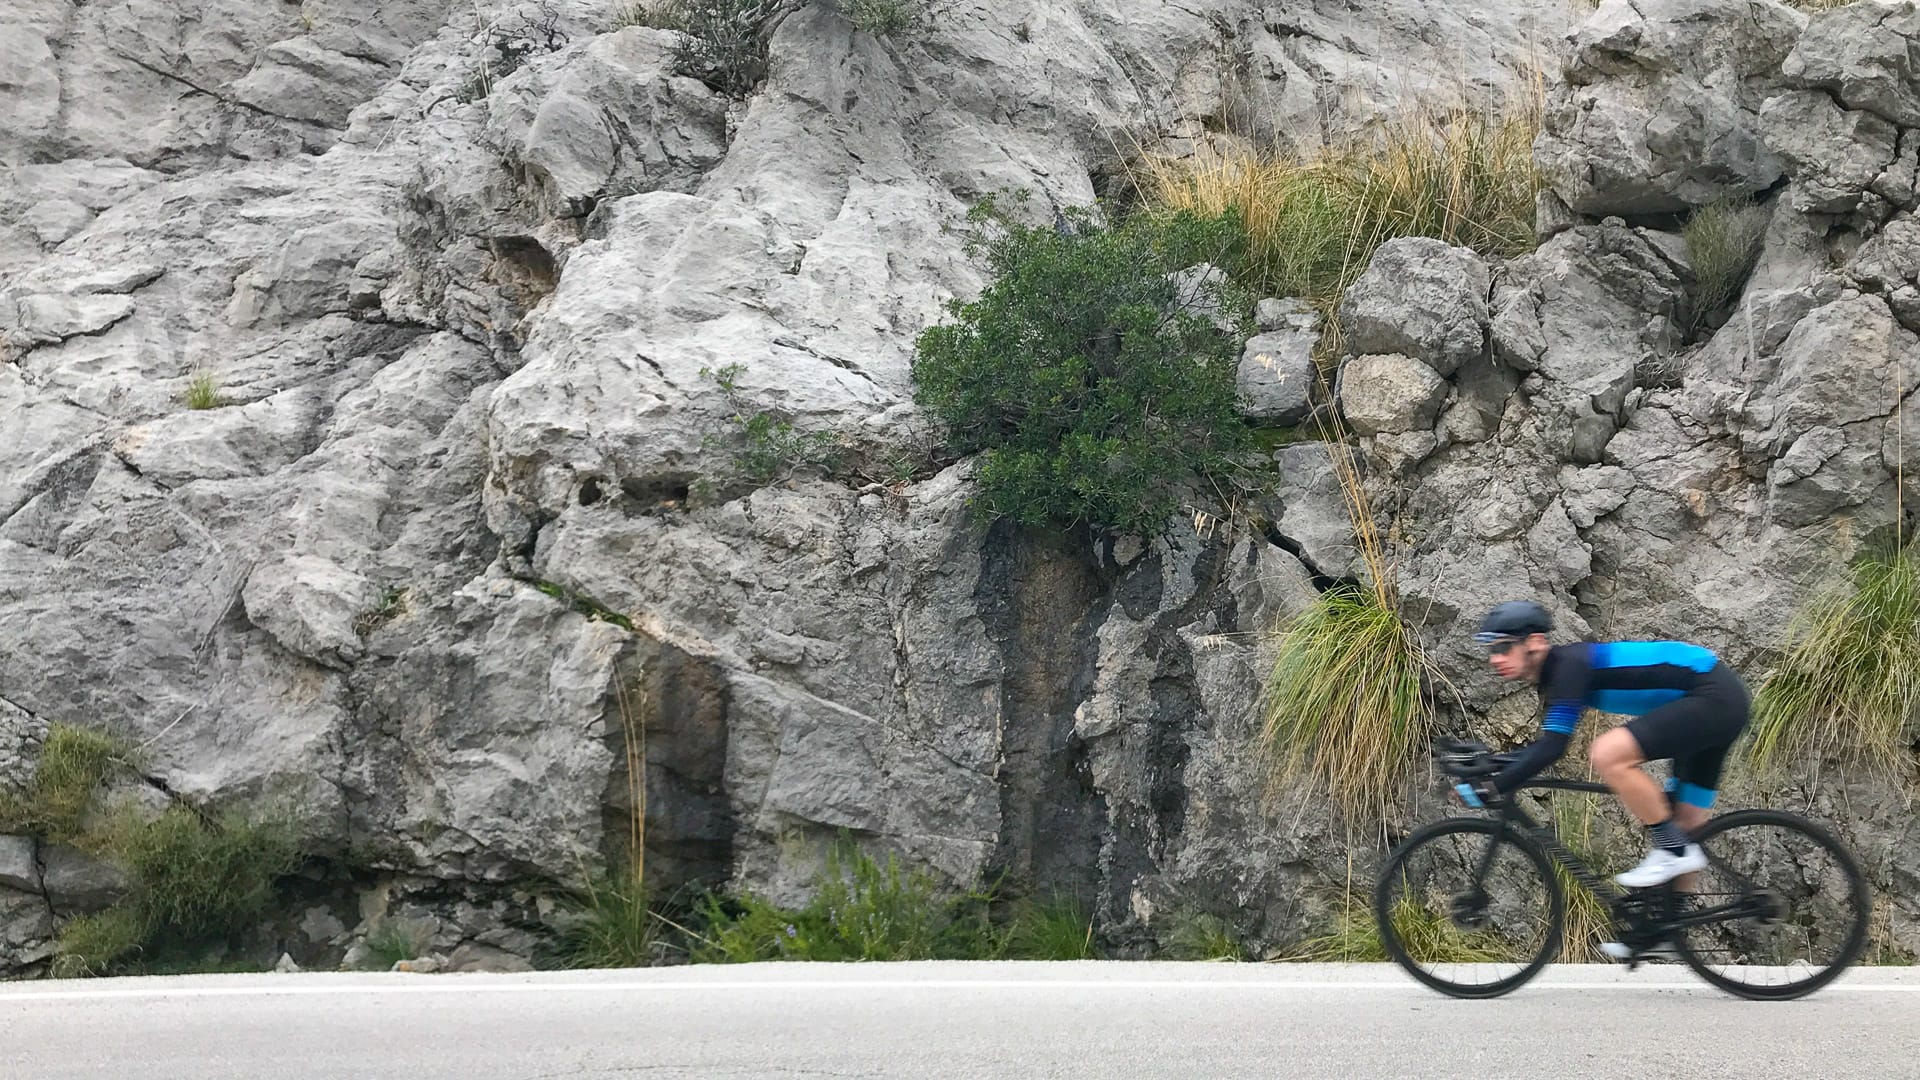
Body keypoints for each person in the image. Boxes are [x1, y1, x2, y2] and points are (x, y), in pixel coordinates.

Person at [1452, 600, 1751, 958]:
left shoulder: (1569, 666)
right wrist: (1494, 765)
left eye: (1502, 647)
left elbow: (1552, 750)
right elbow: (1545, 745)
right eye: (1491, 651)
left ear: (1534, 643)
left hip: (1711, 695)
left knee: (1607, 754)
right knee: (1685, 824)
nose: (1494, 659)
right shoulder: (1558, 678)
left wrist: (1493, 786)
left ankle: (1671, 849)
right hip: (1715, 700)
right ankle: (1666, 930)